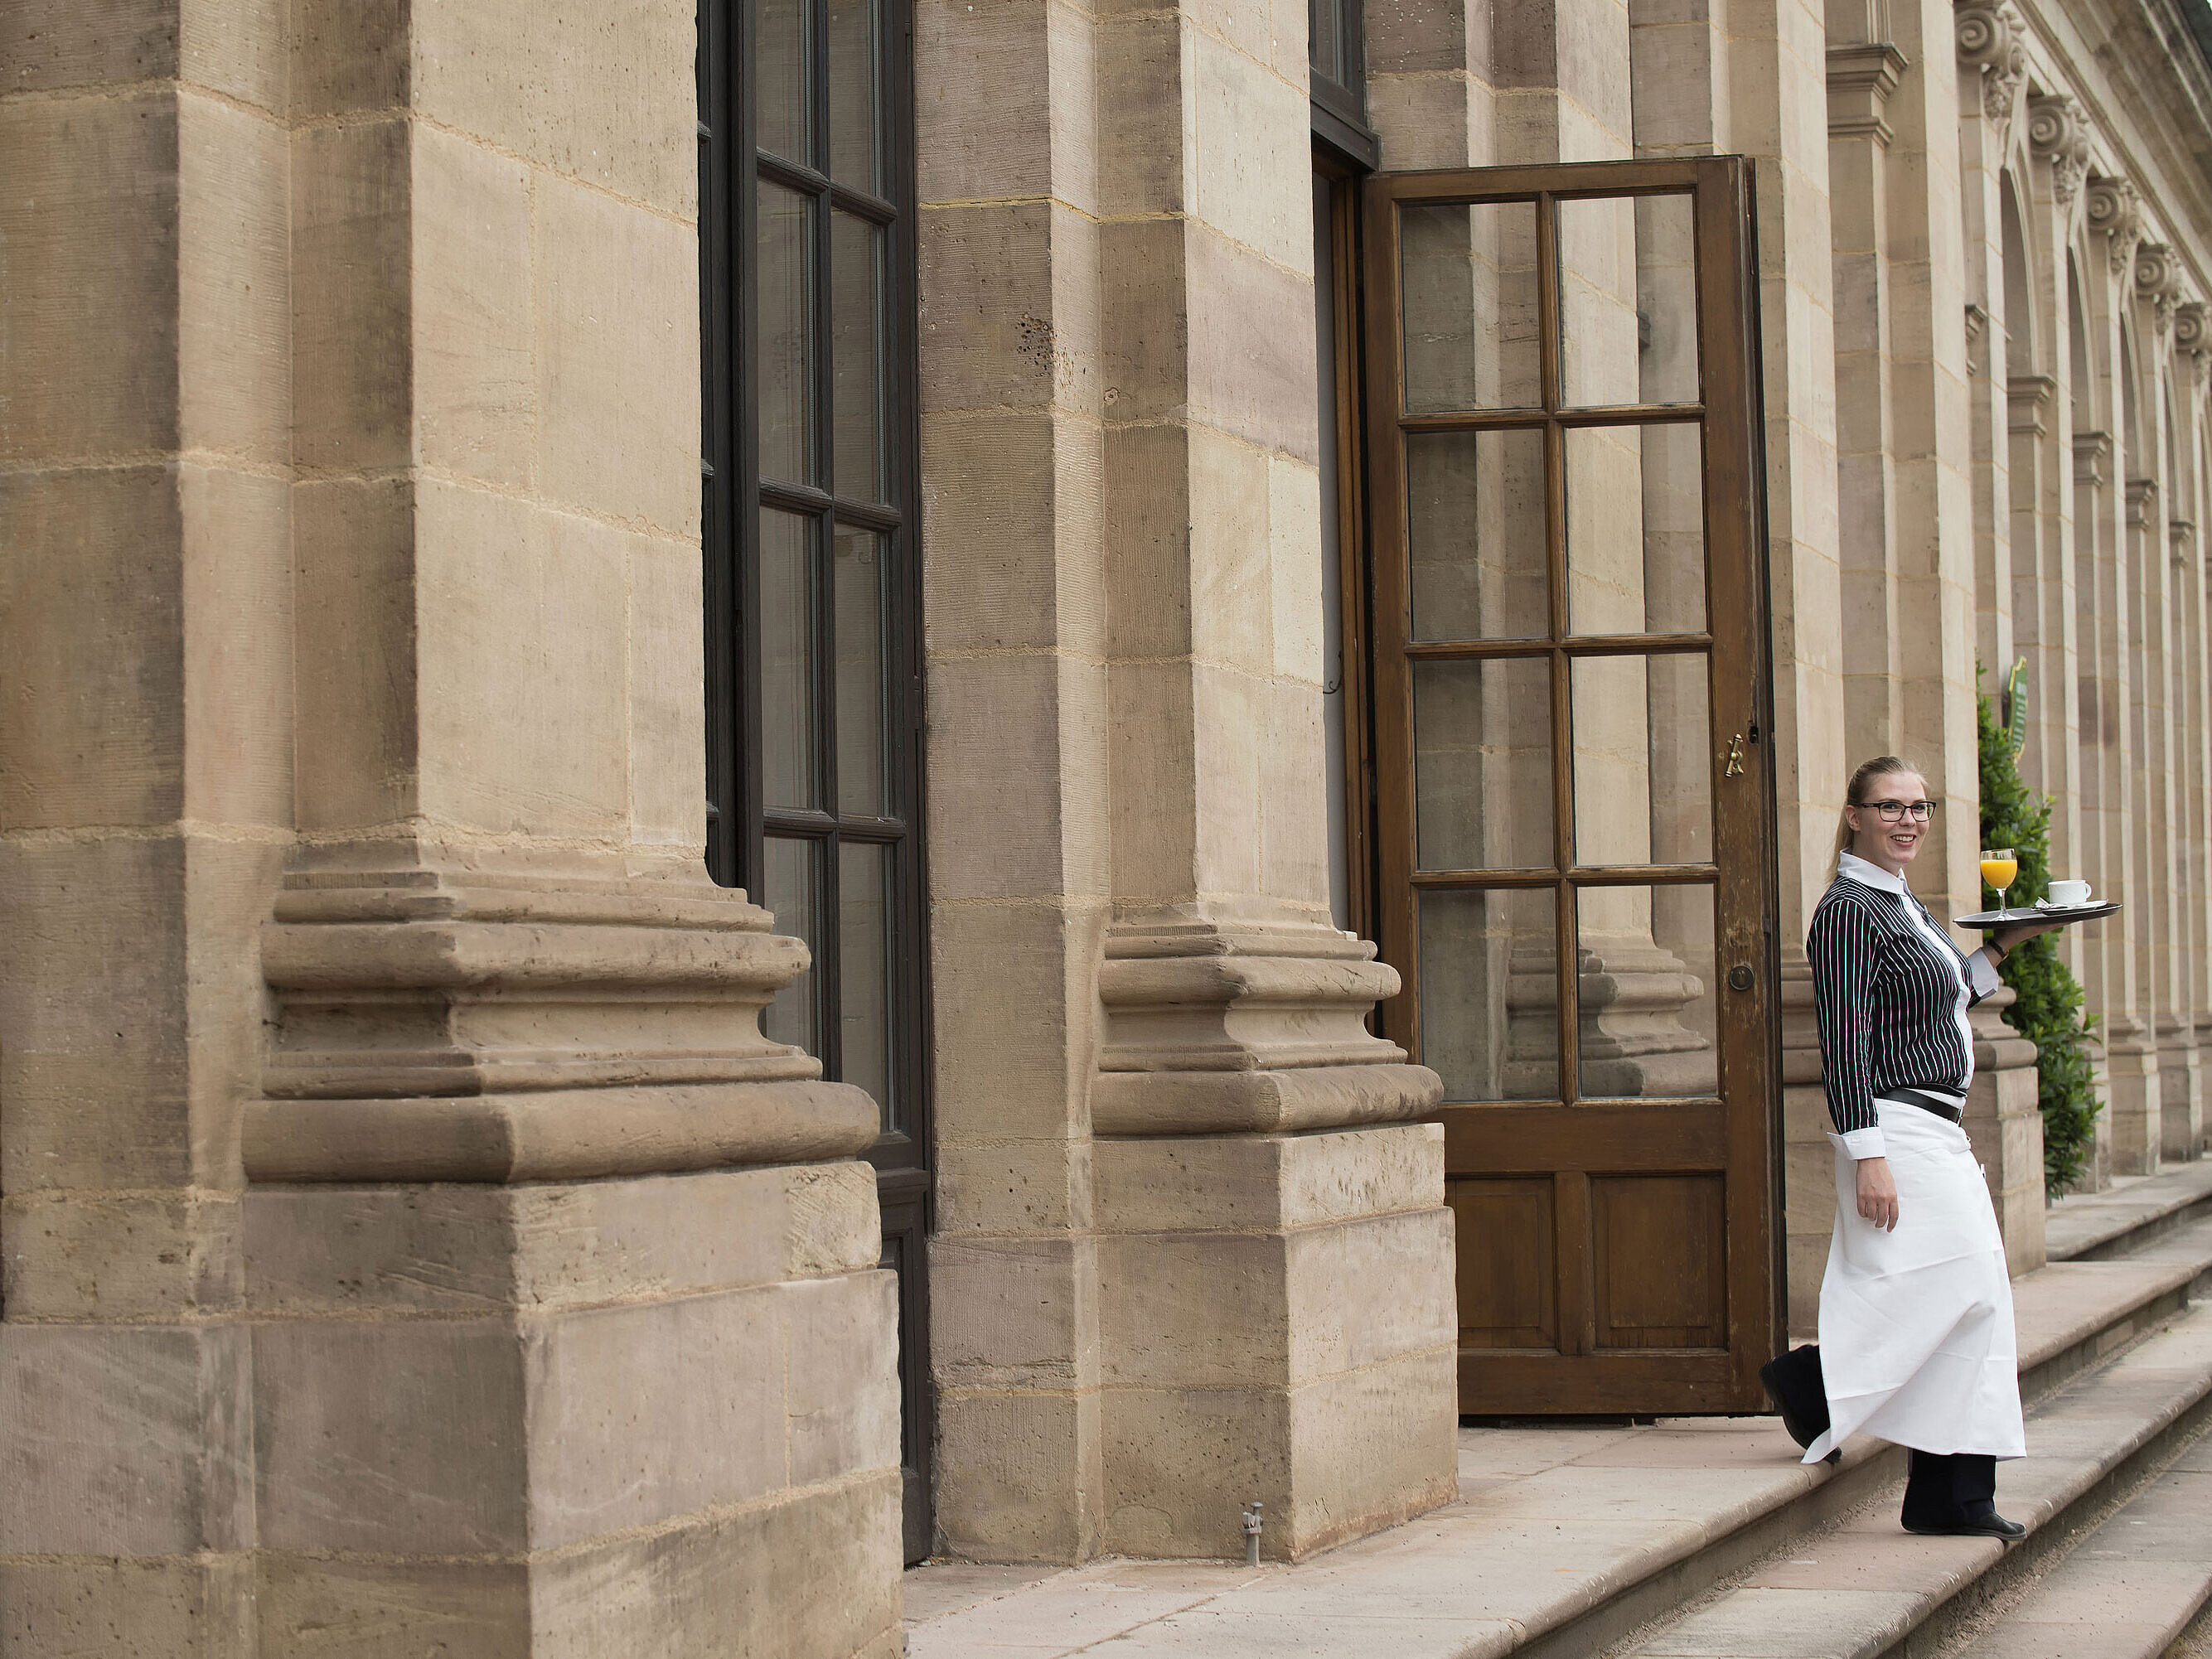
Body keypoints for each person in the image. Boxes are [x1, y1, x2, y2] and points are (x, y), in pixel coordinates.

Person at [1759, 756, 2060, 1537]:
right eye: (1889, 807)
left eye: (1918, 807)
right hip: (1895, 1128)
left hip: (1935, 1128)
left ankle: (1942, 1492)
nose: (1907, 820)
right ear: (1853, 814)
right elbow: (1844, 1043)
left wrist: (2000, 950)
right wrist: (1868, 1155)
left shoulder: (1904, 904)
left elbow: (1939, 999)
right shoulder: (1848, 910)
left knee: (1966, 1303)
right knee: (1963, 1292)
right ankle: (1818, 1386)